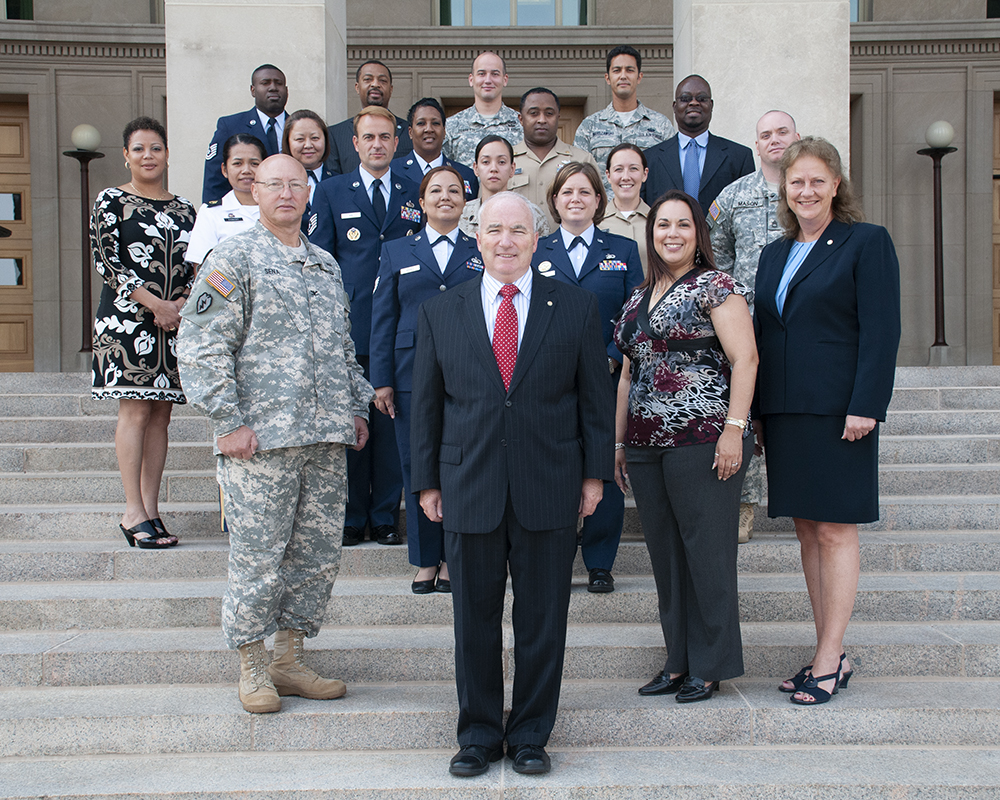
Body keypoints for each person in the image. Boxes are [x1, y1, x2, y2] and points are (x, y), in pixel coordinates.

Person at [411, 192, 613, 777]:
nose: (506, 241)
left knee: (543, 620)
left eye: (518, 231)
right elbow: (426, 406)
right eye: (494, 230)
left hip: (550, 484)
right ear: (478, 238)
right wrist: (425, 482)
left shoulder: (573, 307)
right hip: (467, 483)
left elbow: (595, 404)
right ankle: (476, 734)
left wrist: (594, 475)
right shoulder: (440, 311)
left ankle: (529, 733)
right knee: (472, 619)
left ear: (535, 238)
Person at [177, 154, 374, 714]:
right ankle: (253, 665)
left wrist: (355, 407)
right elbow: (201, 345)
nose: (286, 192)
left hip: (323, 438)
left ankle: (290, 660)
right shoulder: (233, 258)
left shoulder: (324, 265)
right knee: (258, 556)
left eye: (296, 183)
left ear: (309, 192)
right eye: (273, 184)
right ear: (253, 190)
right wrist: (227, 421)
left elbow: (341, 348)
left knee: (314, 557)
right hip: (260, 440)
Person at [754, 137, 900, 705]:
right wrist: (760, 412)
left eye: (817, 180)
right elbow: (767, 334)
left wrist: (867, 402)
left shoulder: (866, 242)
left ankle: (831, 656)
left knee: (836, 530)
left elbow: (881, 329)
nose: (806, 191)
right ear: (784, 190)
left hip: (842, 411)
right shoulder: (774, 252)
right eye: (796, 183)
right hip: (788, 411)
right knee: (807, 530)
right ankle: (826, 651)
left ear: (836, 185)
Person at [613, 190, 757, 704]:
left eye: (683, 225)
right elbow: (629, 374)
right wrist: (619, 440)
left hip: (704, 439)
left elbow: (746, 359)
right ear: (650, 235)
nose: (671, 233)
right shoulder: (636, 296)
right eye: (661, 225)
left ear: (699, 235)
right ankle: (678, 661)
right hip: (646, 444)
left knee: (707, 553)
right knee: (666, 556)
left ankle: (711, 664)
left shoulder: (716, 287)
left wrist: (735, 430)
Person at [311, 106, 422, 548]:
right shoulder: (333, 191)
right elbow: (319, 261)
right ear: (354, 144)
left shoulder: (417, 193)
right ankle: (354, 516)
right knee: (353, 427)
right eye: (368, 137)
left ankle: (385, 515)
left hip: (400, 330)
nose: (377, 144)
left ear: (398, 144)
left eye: (385, 137)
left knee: (393, 428)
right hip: (351, 328)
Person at [370, 166, 481, 594]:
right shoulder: (397, 250)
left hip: (466, 373)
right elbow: (383, 317)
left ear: (465, 201)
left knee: (459, 465)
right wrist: (381, 379)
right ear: (421, 202)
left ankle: (454, 557)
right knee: (416, 465)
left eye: (454, 190)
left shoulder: (478, 250)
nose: (445, 197)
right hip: (409, 372)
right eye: (435, 190)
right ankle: (424, 559)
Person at [533, 162, 642, 593]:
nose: (575, 199)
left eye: (585, 192)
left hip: (607, 376)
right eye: (566, 192)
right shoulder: (536, 250)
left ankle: (599, 560)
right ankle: (557, 554)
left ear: (600, 200)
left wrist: (613, 357)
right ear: (555, 201)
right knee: (555, 467)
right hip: (548, 379)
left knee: (605, 463)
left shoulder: (624, 249)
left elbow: (636, 313)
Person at [91, 116, 194, 550]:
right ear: (126, 155)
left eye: (155, 148)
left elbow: (201, 265)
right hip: (128, 321)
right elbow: (106, 260)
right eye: (139, 149)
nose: (148, 156)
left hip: (178, 322)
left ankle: (151, 509)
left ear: (168, 154)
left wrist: (182, 304)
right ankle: (132, 511)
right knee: (134, 411)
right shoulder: (111, 200)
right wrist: (157, 305)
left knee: (161, 414)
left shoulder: (187, 210)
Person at [708, 110, 800, 542]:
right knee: (742, 411)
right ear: (756, 145)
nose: (775, 140)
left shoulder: (809, 191)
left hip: (798, 324)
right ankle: (743, 505)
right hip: (744, 322)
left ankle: (801, 494)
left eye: (782, 132)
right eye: (766, 134)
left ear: (796, 137)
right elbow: (716, 252)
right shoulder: (733, 196)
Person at [642, 75, 755, 216]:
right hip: (669, 237)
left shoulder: (739, 157)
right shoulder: (649, 159)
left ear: (711, 105)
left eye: (701, 99)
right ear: (675, 107)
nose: (694, 103)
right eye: (685, 99)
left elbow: (748, 213)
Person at [573, 45, 676, 196]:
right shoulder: (589, 127)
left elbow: (670, 173)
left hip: (647, 213)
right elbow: (579, 175)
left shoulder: (661, 125)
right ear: (607, 78)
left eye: (629, 70)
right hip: (603, 215)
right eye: (617, 70)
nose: (623, 76)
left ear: (639, 77)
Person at [511, 88, 597, 231]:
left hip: (568, 249)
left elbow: (598, 210)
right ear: (521, 119)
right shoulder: (504, 161)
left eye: (549, 113)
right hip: (517, 248)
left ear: (558, 117)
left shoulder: (581, 159)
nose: (542, 120)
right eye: (534, 113)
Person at [202, 64, 288, 204]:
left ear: (286, 90)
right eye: (265, 83)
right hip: (242, 212)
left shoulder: (298, 127)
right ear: (253, 90)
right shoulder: (230, 125)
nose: (273, 87)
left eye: (279, 83)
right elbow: (214, 178)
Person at [186, 134, 266, 268]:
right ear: (224, 169)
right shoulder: (211, 213)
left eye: (254, 163)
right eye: (237, 163)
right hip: (227, 289)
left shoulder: (278, 208)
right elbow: (202, 270)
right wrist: (232, 289)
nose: (246, 170)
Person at [325, 60, 412, 175]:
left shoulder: (410, 133)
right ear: (357, 87)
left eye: (382, 80)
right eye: (368, 79)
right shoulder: (335, 134)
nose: (375, 84)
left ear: (391, 89)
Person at [459, 135, 550, 238]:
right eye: (486, 162)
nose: (494, 169)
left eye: (501, 162)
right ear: (476, 168)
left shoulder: (533, 214)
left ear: (512, 169)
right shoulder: (461, 213)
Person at [442, 52, 523, 168]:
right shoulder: (451, 126)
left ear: (505, 80)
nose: (488, 80)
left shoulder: (521, 124)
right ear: (471, 79)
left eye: (495, 74)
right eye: (482, 74)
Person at [390, 98, 478, 200]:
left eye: (435, 123)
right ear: (410, 132)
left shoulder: (466, 175)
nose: (429, 129)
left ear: (444, 131)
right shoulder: (392, 170)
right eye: (421, 123)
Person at [599, 143, 652, 274]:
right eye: (618, 169)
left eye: (633, 169)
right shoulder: (594, 222)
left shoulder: (657, 221)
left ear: (644, 174)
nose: (626, 177)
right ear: (608, 176)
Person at [280, 109, 334, 236]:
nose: (308, 145)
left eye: (315, 138)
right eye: (300, 139)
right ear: (288, 142)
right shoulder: (278, 186)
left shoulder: (339, 183)